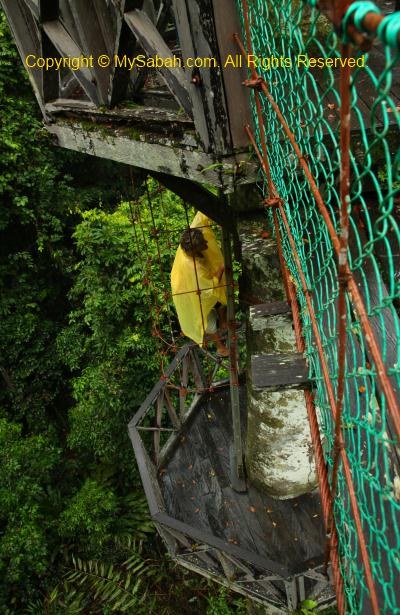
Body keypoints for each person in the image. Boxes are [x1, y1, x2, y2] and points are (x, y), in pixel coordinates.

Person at [171, 212, 229, 356]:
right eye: (204, 243)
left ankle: (223, 323)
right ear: (195, 249)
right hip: (190, 290)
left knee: (223, 296)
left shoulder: (190, 237)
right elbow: (209, 289)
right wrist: (222, 268)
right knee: (206, 320)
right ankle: (220, 347)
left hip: (195, 283)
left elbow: (199, 218)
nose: (207, 243)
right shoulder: (193, 268)